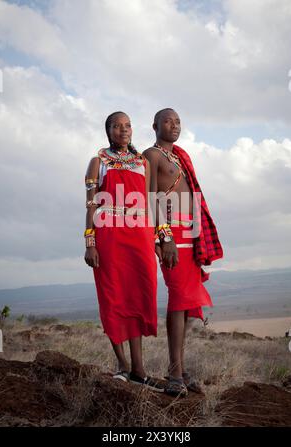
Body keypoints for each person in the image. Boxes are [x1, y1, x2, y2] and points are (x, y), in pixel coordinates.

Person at [143, 108, 223, 397]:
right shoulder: (151, 156)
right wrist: (164, 238)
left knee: (188, 303)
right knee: (178, 297)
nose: (174, 125)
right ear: (155, 126)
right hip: (171, 235)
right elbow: (151, 198)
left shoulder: (180, 155)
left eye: (178, 121)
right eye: (168, 121)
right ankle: (175, 374)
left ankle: (179, 366)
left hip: (190, 233)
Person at [84, 111, 163, 392]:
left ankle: (139, 370)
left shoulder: (143, 162)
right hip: (110, 236)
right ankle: (122, 366)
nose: (123, 130)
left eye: (127, 125)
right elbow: (91, 205)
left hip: (139, 235)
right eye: (117, 126)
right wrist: (90, 242)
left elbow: (151, 201)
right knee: (113, 297)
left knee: (139, 295)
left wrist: (158, 237)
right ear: (108, 131)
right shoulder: (99, 162)